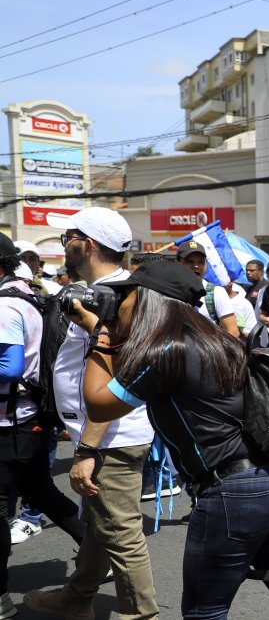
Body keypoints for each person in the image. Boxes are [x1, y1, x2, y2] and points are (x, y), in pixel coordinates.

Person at [69, 260, 269, 619]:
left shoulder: (165, 352)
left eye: (127, 295)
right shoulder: (216, 340)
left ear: (150, 300)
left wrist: (102, 337)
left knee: (203, 611)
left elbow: (98, 405)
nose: (120, 304)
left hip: (235, 492)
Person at [23, 208, 161, 619]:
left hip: (110, 439)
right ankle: (77, 597)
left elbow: (121, 379)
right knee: (102, 524)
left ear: (90, 244)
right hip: (104, 436)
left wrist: (88, 448)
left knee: (121, 532)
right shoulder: (101, 291)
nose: (64, 242)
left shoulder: (122, 297)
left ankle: (140, 614)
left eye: (69, 235)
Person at [0, 233, 88, 618]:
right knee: (40, 490)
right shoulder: (29, 295)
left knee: (1, 506)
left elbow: (11, 367)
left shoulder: (4, 306)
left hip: (8, 422)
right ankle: (96, 553)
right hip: (29, 416)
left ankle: (0, 598)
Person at [176, 241, 240, 339]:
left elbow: (233, 332)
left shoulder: (217, 293)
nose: (196, 266)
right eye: (190, 261)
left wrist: (211, 350)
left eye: (201, 262)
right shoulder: (169, 292)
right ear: (178, 263)